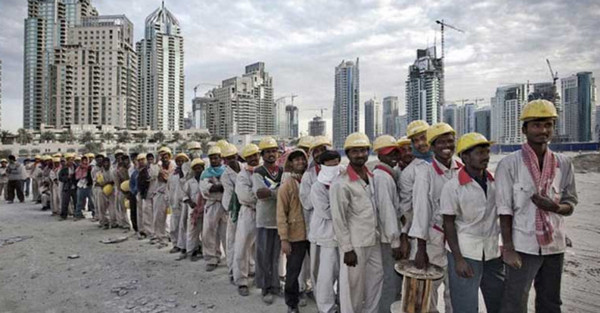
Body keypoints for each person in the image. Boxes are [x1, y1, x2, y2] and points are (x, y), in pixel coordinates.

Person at [496, 100, 578, 313]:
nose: (543, 130)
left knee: (550, 302)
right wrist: (509, 249)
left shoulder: (563, 163)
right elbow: (504, 210)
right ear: (525, 129)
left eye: (548, 125)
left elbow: (570, 202)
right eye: (537, 125)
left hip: (554, 244)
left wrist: (555, 208)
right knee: (515, 301)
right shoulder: (509, 164)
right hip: (523, 245)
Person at [441, 133, 504, 313]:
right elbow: (449, 224)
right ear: (465, 157)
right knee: (465, 306)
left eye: (486, 151)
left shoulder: (494, 182)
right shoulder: (453, 187)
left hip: (492, 252)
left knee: (498, 302)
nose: (485, 156)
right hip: (466, 253)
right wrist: (459, 259)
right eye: (479, 152)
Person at [410, 122, 460, 313]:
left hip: (457, 240)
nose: (446, 146)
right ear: (432, 146)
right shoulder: (425, 174)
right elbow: (421, 212)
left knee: (454, 291)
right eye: (440, 142)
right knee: (428, 292)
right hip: (432, 240)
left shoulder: (461, 169)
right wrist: (420, 249)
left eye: (450, 141)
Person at [330, 132, 383, 313]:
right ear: (348, 153)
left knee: (376, 282)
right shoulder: (341, 183)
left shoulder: (372, 176)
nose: (360, 155)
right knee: (352, 289)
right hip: (355, 244)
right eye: (355, 151)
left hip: (373, 239)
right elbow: (339, 218)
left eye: (363, 151)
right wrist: (347, 249)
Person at [372, 135, 403, 313]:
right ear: (380, 155)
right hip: (387, 237)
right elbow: (387, 211)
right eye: (388, 153)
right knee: (389, 280)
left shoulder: (387, 174)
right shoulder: (382, 177)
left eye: (395, 153)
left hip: (385, 235)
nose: (393, 156)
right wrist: (395, 241)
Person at [299, 135, 332, 302]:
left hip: (338, 227)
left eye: (323, 149)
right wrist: (322, 197)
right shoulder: (308, 176)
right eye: (316, 151)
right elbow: (306, 202)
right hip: (317, 225)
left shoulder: (339, 171)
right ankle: (321, 299)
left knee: (336, 267)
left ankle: (333, 296)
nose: (320, 153)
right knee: (318, 266)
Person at [276, 149, 309, 313]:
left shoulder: (310, 180)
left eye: (302, 159)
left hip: (312, 232)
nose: (300, 162)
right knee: (292, 272)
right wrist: (284, 238)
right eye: (296, 160)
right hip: (295, 234)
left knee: (315, 270)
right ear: (290, 163)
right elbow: (281, 213)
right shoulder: (286, 186)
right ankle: (291, 303)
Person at [310, 150, 342, 313]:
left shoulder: (344, 178)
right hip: (326, 235)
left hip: (344, 236)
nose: (334, 166)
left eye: (336, 162)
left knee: (343, 275)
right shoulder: (318, 186)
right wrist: (345, 209)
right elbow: (326, 212)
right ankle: (326, 308)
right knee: (326, 275)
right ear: (322, 165)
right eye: (330, 164)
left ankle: (342, 303)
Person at [252, 137, 283, 305]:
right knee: (263, 254)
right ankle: (265, 287)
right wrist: (277, 193)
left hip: (279, 218)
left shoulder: (282, 171)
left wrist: (271, 192)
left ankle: (276, 284)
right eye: (268, 152)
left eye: (273, 151)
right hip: (264, 219)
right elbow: (260, 194)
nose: (271, 154)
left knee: (276, 255)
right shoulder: (258, 172)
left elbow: (283, 193)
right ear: (262, 155)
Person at [399, 120, 431, 261]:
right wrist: (405, 236)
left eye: (423, 138)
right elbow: (406, 209)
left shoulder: (450, 164)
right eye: (415, 140)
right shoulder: (409, 172)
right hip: (421, 236)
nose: (420, 143)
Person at [233, 144, 261, 296]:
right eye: (250, 156)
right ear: (246, 158)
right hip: (249, 212)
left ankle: (259, 276)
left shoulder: (263, 171)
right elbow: (246, 196)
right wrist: (263, 197)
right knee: (242, 247)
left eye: (255, 155)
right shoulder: (242, 175)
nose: (254, 158)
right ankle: (241, 280)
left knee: (261, 247)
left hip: (263, 214)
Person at [200, 145, 228, 271]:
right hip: (212, 204)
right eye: (211, 158)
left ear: (220, 158)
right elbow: (206, 189)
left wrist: (216, 186)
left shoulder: (227, 171)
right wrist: (219, 186)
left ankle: (230, 259)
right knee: (209, 232)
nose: (214, 161)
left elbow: (228, 187)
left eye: (216, 158)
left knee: (226, 233)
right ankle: (212, 258)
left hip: (225, 204)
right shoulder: (205, 173)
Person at [220, 144, 242, 281]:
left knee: (247, 242)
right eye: (228, 159)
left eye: (232, 157)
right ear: (225, 161)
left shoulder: (244, 168)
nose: (231, 160)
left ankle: (249, 269)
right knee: (232, 240)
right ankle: (232, 270)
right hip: (233, 209)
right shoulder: (225, 175)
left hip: (246, 208)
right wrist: (231, 210)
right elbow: (229, 195)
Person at [181, 158, 206, 261]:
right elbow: (184, 194)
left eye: (199, 168)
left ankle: (205, 252)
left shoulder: (206, 180)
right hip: (194, 209)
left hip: (205, 209)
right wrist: (190, 202)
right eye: (195, 168)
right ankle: (191, 251)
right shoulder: (190, 182)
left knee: (205, 232)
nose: (198, 170)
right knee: (192, 231)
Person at [151, 148, 174, 246]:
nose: (164, 158)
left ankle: (172, 237)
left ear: (169, 156)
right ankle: (160, 237)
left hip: (172, 193)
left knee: (174, 217)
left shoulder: (173, 165)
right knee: (158, 216)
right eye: (162, 156)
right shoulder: (156, 166)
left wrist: (164, 175)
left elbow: (168, 179)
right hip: (160, 193)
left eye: (166, 156)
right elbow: (154, 175)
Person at [168, 153, 189, 254]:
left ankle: (184, 246)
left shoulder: (189, 173)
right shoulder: (173, 174)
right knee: (174, 225)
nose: (180, 163)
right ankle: (175, 244)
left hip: (185, 203)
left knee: (184, 225)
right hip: (175, 203)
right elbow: (169, 188)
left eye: (182, 161)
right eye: (178, 161)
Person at [136, 153, 153, 238]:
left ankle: (150, 232)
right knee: (142, 213)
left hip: (149, 194)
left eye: (143, 160)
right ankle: (143, 230)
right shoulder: (139, 170)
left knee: (148, 213)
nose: (141, 162)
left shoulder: (149, 169)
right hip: (142, 194)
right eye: (139, 160)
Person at [96, 157, 116, 229]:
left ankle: (113, 222)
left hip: (112, 191)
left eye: (107, 162)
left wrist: (107, 183)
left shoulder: (113, 171)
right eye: (105, 163)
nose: (106, 164)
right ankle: (104, 222)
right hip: (102, 191)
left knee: (112, 207)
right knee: (101, 207)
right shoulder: (99, 172)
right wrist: (101, 184)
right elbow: (96, 183)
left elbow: (114, 181)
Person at [58, 153, 78, 219]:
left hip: (75, 187)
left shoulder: (76, 167)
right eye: (69, 160)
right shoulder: (63, 168)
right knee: (65, 202)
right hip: (67, 187)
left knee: (76, 202)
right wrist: (67, 177)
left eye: (72, 160)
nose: (71, 161)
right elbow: (60, 177)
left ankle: (77, 214)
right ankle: (63, 215)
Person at [74, 155, 93, 221]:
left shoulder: (90, 167)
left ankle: (95, 214)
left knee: (92, 201)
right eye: (83, 160)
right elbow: (77, 176)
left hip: (88, 186)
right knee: (79, 202)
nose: (85, 162)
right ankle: (78, 214)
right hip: (80, 185)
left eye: (86, 160)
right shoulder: (79, 168)